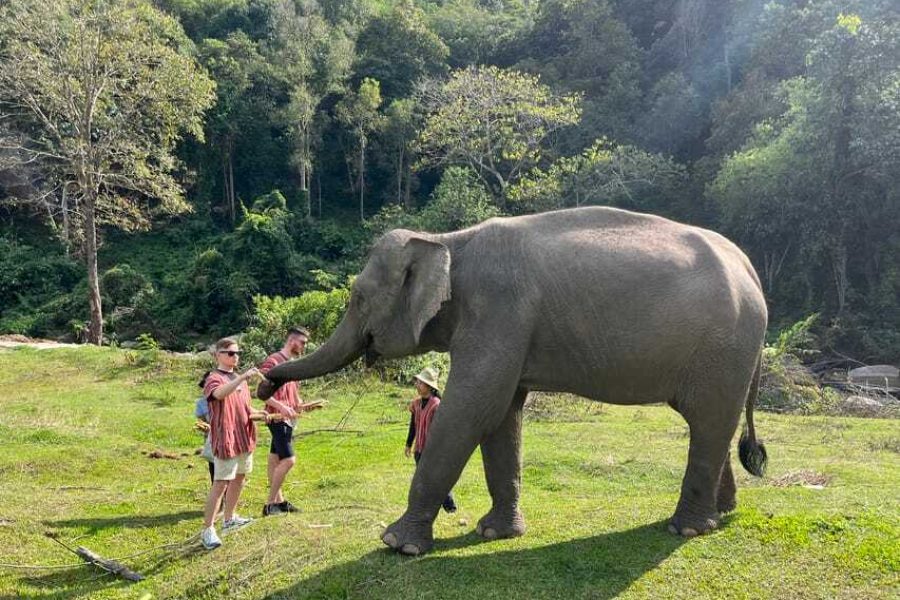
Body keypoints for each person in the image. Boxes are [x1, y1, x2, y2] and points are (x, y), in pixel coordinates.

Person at [199, 337, 277, 550]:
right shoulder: (214, 378)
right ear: (218, 355)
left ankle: (230, 519)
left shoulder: (239, 380)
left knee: (240, 478)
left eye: (237, 353)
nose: (235, 357)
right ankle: (208, 530)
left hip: (244, 438)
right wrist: (242, 376)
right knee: (220, 483)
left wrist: (260, 413)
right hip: (226, 439)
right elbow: (218, 395)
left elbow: (245, 409)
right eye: (230, 353)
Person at [258, 326, 323, 516]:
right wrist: (280, 407)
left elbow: (291, 394)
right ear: (292, 341)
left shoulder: (293, 364)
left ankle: (280, 501)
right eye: (302, 342)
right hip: (278, 419)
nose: (304, 346)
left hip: (288, 417)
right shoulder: (274, 361)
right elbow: (261, 392)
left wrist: (300, 404)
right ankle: (270, 505)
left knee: (274, 459)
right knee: (289, 460)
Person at [405, 367, 457, 513]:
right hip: (419, 450)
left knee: (437, 478)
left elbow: (442, 431)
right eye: (417, 382)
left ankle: (449, 505)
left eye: (420, 383)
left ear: (429, 386)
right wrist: (409, 444)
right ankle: (426, 506)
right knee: (423, 479)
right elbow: (413, 426)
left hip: (433, 450)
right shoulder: (416, 404)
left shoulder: (437, 405)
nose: (417, 385)